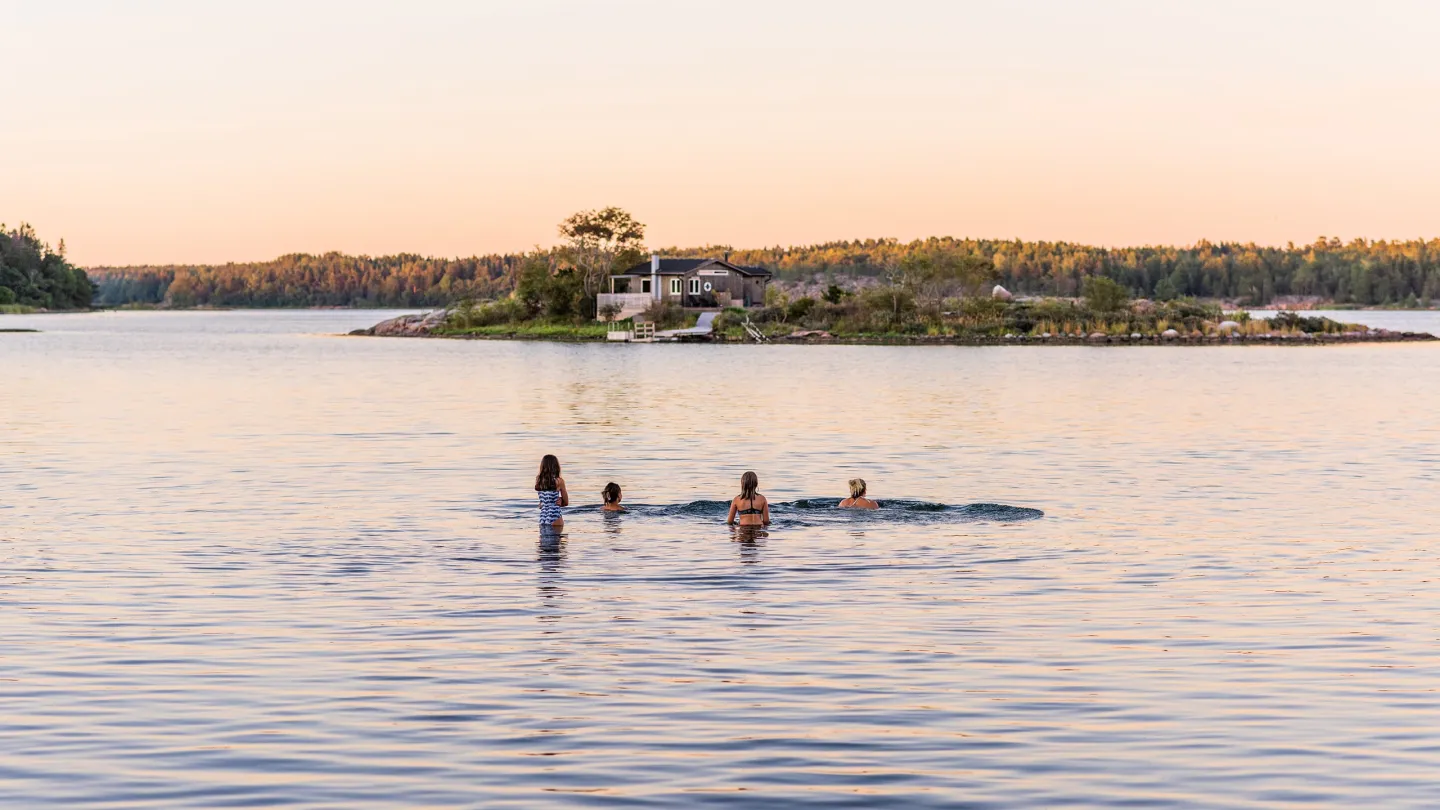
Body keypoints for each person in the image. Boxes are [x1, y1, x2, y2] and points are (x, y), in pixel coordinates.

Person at [535, 454, 569, 529]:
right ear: (556, 466)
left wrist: (543, 504)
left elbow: (541, 503)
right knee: (557, 535)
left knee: (544, 535)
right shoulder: (559, 481)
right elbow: (566, 502)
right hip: (555, 515)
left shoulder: (539, 480)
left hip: (543, 517)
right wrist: (561, 500)